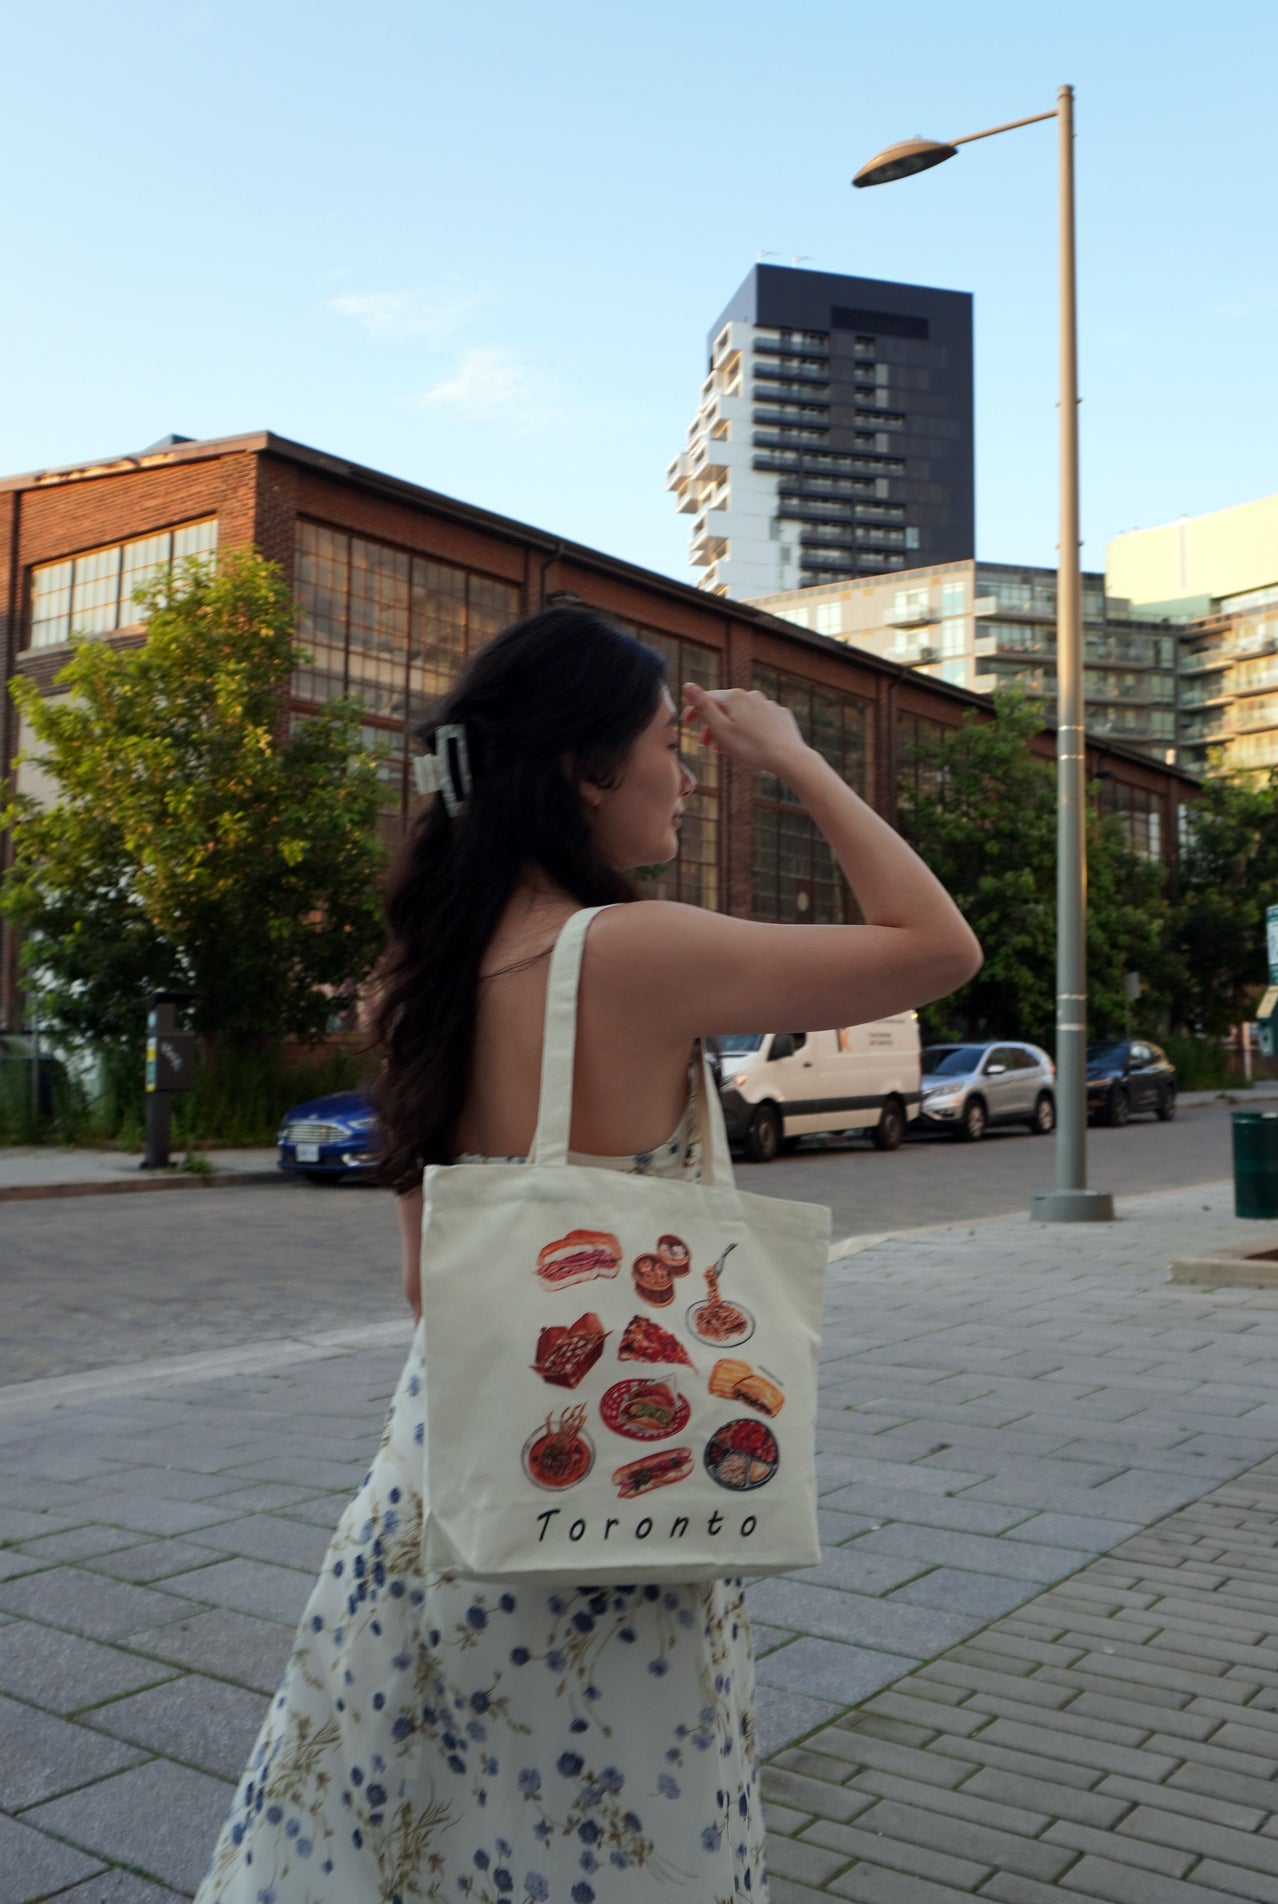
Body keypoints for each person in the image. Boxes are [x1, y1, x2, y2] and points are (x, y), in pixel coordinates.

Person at [195, 607, 981, 1904]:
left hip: (435, 1494)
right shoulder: (628, 951)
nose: (688, 774)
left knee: (415, 1846)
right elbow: (937, 948)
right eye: (671, 745)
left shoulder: (420, 972)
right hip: (611, 1512)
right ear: (582, 770)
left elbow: (424, 1284)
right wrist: (795, 756)